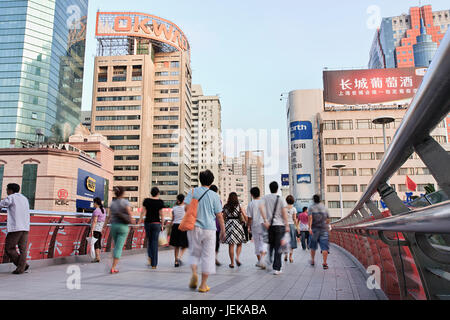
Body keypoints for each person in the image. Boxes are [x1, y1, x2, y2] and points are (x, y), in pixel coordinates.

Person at [184, 170, 225, 293]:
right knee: (208, 256)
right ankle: (203, 285)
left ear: (200, 179)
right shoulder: (215, 195)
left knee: (194, 253)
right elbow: (219, 215)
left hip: (193, 227)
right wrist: (223, 230)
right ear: (211, 181)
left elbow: (186, 208)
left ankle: (194, 273)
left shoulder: (192, 191)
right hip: (209, 229)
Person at [259, 181, 289, 275]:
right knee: (278, 247)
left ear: (270, 188)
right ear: (277, 188)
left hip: (270, 226)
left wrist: (265, 220)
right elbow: (284, 212)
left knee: (271, 245)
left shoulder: (265, 198)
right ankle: (277, 268)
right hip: (279, 225)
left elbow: (260, 207)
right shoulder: (281, 199)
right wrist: (287, 224)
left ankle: (269, 259)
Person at [0, 183, 30, 274]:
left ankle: (22, 266)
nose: (6, 191)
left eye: (7, 189)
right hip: (25, 226)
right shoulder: (24, 198)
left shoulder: (11, 197)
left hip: (16, 227)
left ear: (10, 190)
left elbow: (2, 204)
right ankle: (21, 267)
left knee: (9, 248)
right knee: (23, 249)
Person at [109, 186, 135, 274]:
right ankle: (113, 267)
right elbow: (129, 213)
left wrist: (105, 225)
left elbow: (109, 216)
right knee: (119, 247)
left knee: (116, 246)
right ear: (123, 193)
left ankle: (114, 264)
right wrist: (133, 221)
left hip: (114, 226)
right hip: (123, 226)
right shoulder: (125, 202)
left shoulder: (112, 203)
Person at [140, 187, 165, 269]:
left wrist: (140, 220)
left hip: (148, 223)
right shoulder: (160, 202)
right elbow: (161, 214)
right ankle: (154, 264)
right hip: (156, 223)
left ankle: (150, 257)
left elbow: (143, 212)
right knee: (154, 243)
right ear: (158, 193)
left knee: (149, 241)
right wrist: (162, 225)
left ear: (151, 193)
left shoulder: (146, 201)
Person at [223, 192, 248, 268]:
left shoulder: (225, 206)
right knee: (239, 243)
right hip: (237, 224)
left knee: (231, 245)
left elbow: (224, 218)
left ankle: (232, 263)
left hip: (229, 225)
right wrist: (247, 223)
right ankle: (237, 257)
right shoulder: (239, 206)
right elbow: (245, 216)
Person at [246, 187, 267, 269]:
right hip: (264, 225)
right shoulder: (264, 202)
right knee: (263, 243)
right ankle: (262, 260)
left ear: (251, 194)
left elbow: (249, 218)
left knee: (257, 244)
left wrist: (248, 225)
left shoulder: (251, 204)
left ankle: (260, 261)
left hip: (255, 225)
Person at [308, 194, 330, 270]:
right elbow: (328, 220)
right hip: (324, 229)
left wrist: (309, 228)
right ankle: (324, 263)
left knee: (313, 247)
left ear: (313, 200)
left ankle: (313, 260)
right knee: (324, 247)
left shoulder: (311, 207)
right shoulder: (324, 207)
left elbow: (310, 218)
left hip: (314, 230)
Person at [169, 194, 188, 267]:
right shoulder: (186, 207)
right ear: (184, 200)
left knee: (176, 245)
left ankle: (176, 261)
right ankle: (180, 257)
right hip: (183, 226)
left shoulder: (174, 208)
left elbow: (172, 219)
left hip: (175, 226)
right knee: (185, 244)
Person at [90, 197, 106, 263]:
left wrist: (92, 229)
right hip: (100, 229)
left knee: (95, 243)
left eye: (94, 202)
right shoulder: (103, 210)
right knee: (98, 242)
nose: (93, 204)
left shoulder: (96, 210)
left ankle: (97, 257)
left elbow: (95, 221)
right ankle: (98, 257)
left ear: (96, 203)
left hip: (96, 229)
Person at [209, 185, 221, 266]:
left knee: (209, 243)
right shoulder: (218, 200)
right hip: (216, 225)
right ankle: (215, 258)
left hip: (207, 224)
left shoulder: (206, 199)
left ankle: (210, 258)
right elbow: (219, 214)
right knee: (216, 243)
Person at [284, 195, 298, 263]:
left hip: (285, 226)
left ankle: (286, 255)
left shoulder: (283, 208)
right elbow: (295, 219)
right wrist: (297, 227)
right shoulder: (294, 209)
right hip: (292, 226)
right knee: (292, 241)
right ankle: (290, 257)